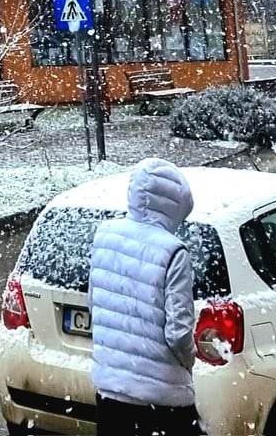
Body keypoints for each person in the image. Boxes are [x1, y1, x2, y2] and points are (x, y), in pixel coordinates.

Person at [87, 156, 203, 435]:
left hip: (110, 390)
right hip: (162, 397)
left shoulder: (105, 235)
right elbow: (178, 332)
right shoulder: (174, 252)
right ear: (176, 205)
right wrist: (189, 361)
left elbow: (93, 304)